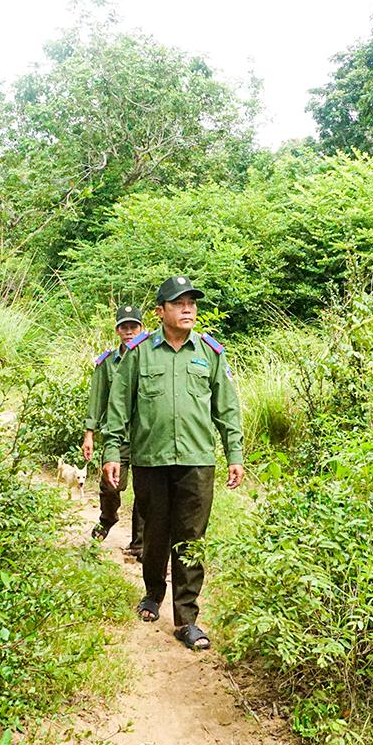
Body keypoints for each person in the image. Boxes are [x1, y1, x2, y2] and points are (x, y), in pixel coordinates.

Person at [102, 276, 244, 651]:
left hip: (197, 461)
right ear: (160, 311)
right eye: (179, 303)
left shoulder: (210, 353)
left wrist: (234, 454)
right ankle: (153, 593)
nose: (187, 309)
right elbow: (118, 406)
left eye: (191, 303)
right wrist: (111, 452)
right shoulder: (139, 353)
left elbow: (227, 409)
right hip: (151, 459)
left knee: (191, 539)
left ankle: (186, 619)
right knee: (155, 533)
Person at [82, 305, 145, 558]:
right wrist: (89, 433)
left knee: (145, 491)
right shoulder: (107, 363)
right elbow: (97, 399)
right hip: (117, 437)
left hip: (145, 436)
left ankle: (139, 542)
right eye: (124, 327)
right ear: (117, 330)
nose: (129, 332)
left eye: (133, 327)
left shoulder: (150, 357)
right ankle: (108, 518)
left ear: (142, 329)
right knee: (110, 486)